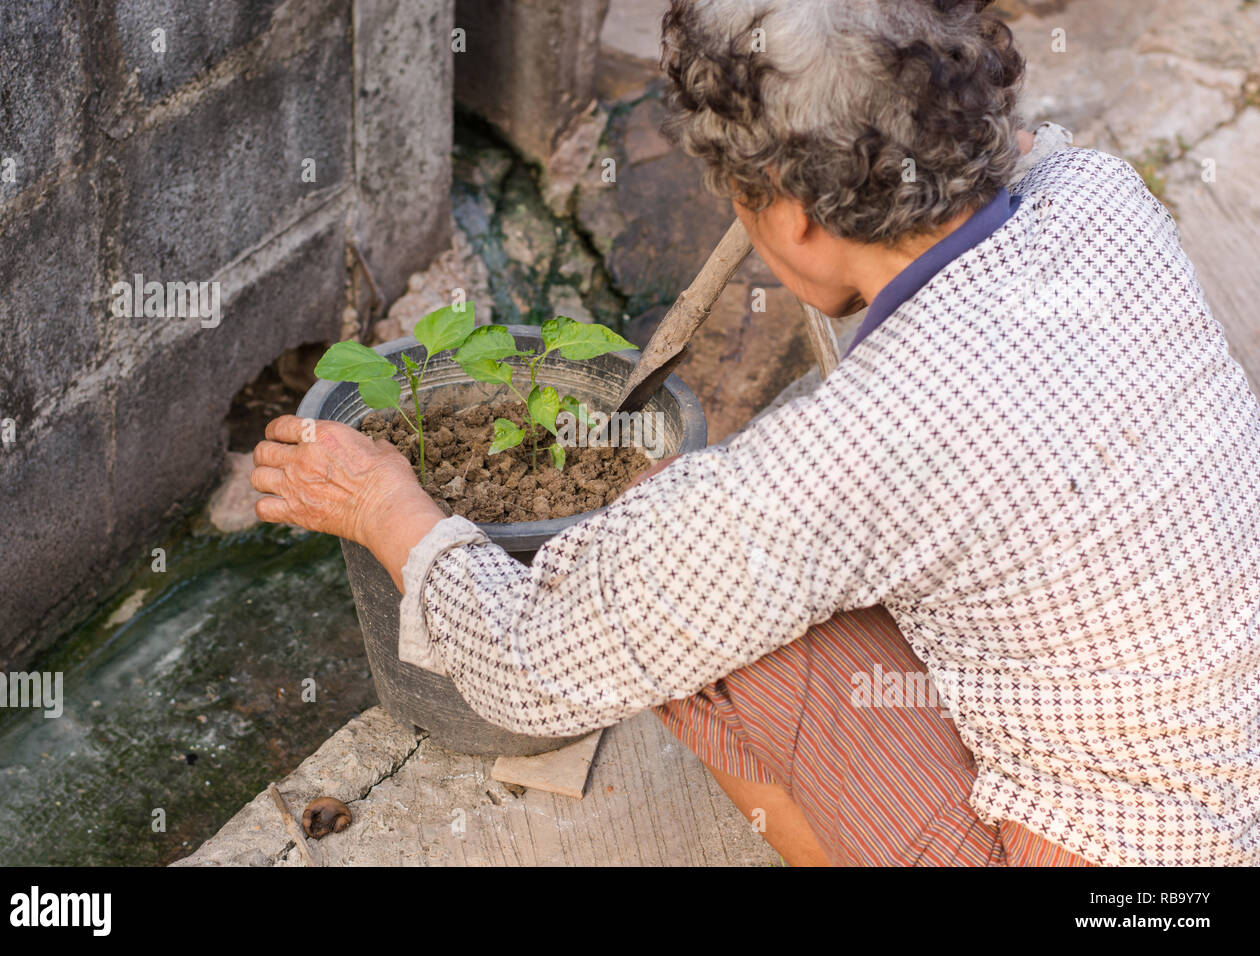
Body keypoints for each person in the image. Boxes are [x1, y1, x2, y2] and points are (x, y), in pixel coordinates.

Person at [250, 0, 1260, 866]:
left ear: (796, 221)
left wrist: (385, 504)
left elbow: (526, 662)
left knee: (699, 608)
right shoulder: (1099, 195)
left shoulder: (860, 448)